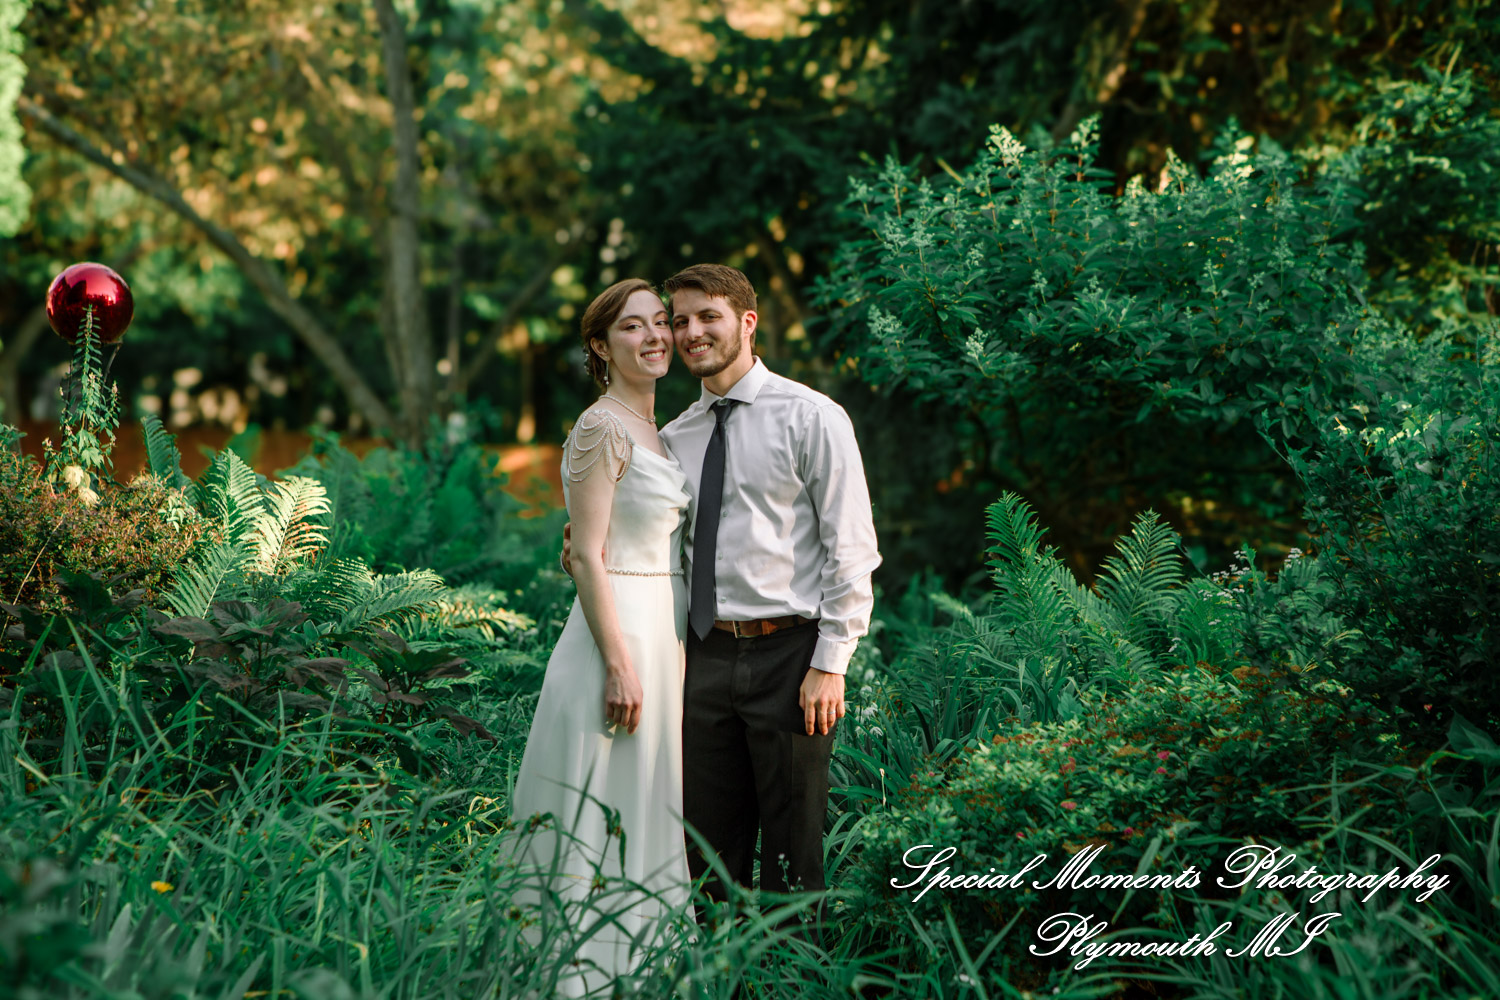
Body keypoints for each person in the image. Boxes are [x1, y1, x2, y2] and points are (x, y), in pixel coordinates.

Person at [566, 263, 881, 913]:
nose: (690, 333)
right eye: (679, 320)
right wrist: (577, 547)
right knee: (705, 853)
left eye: (707, 316)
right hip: (699, 657)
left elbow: (852, 552)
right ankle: (716, 964)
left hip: (792, 656)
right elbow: (637, 527)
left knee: (793, 853)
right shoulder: (673, 436)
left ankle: (792, 969)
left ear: (747, 322)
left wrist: (831, 664)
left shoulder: (812, 417)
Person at [509, 278, 692, 991]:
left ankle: (641, 973)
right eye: (632, 327)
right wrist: (618, 664)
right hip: (617, 643)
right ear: (600, 346)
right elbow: (586, 554)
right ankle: (573, 978)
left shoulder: (660, 431)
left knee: (646, 809)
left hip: (664, 640)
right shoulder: (601, 427)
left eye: (660, 322)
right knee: (599, 814)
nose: (654, 337)